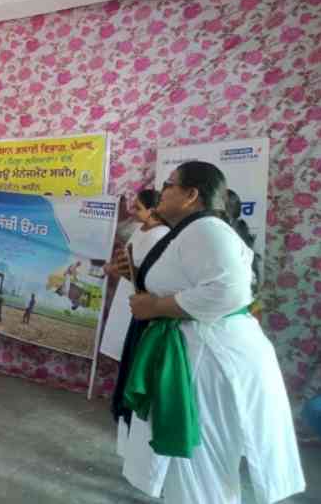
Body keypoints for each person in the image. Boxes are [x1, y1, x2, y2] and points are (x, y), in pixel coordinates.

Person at [119, 161, 305, 504]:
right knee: (194, 463)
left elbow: (229, 291)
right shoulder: (196, 230)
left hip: (209, 354)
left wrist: (157, 307)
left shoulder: (207, 230)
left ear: (192, 195)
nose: (162, 190)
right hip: (197, 347)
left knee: (201, 462)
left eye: (169, 184)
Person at [106, 189, 170, 455]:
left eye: (138, 208)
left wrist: (120, 270)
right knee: (122, 356)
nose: (134, 211)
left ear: (153, 210)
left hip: (143, 306)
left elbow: (143, 272)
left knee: (134, 360)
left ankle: (132, 414)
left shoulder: (163, 236)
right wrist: (116, 268)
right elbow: (128, 262)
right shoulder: (139, 230)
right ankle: (123, 414)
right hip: (126, 300)